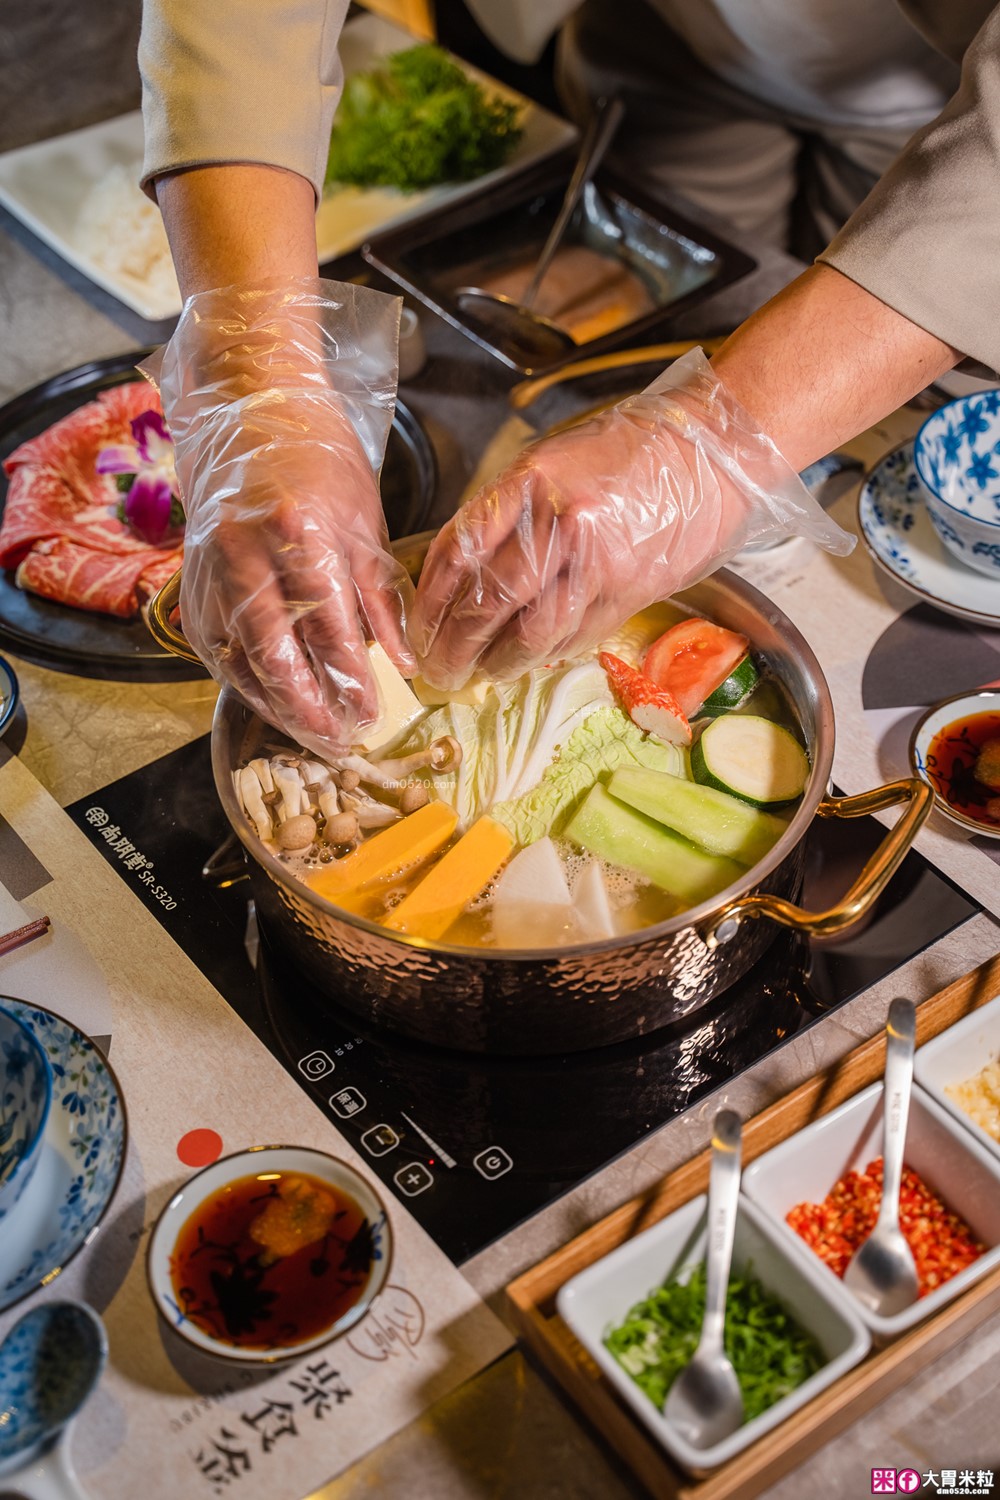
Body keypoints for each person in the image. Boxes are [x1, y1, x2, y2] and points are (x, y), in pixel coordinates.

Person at [138, 0, 997, 751]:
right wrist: (254, 369)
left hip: (954, 92)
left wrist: (717, 441)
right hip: (676, 38)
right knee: (700, 287)